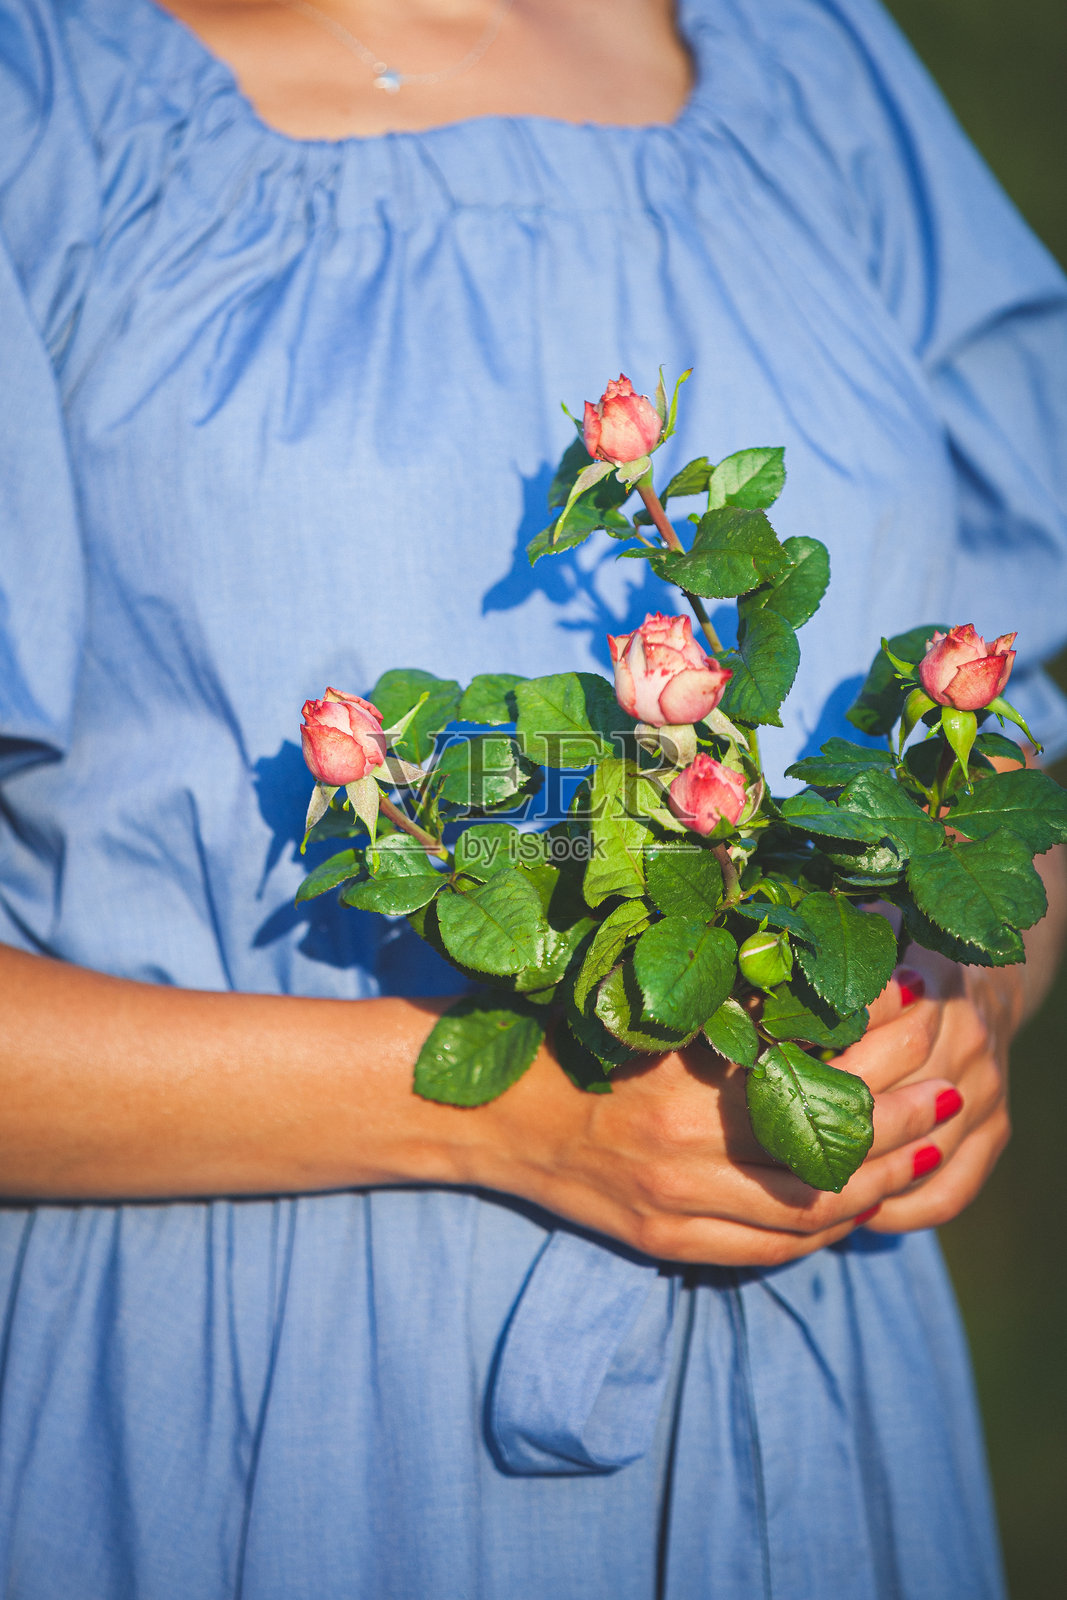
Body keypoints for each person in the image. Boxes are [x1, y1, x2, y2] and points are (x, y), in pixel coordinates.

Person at [1, 1, 1065, 1594]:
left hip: (824, 1431)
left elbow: (1015, 734)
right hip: (244, 1426)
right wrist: (508, 1112)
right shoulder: (45, 102)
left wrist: (965, 1009)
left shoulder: (816, 61)